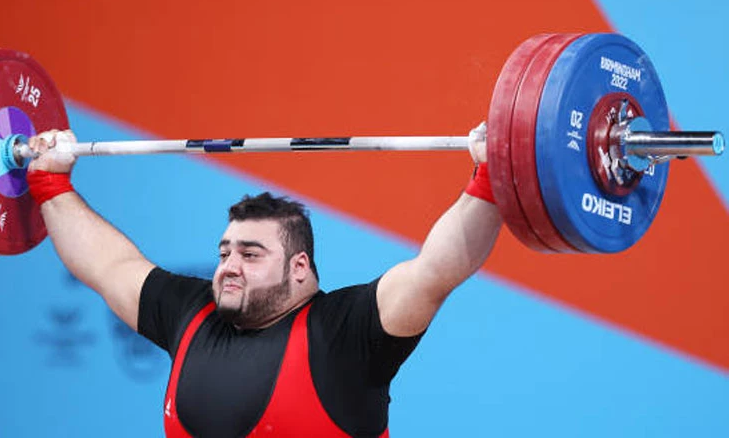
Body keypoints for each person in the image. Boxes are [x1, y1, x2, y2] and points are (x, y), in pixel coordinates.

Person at [25, 126, 502, 437]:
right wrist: (50, 185)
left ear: (299, 267)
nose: (229, 265)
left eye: (251, 255)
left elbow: (437, 269)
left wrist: (490, 179)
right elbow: (107, 266)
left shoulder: (345, 333)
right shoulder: (193, 313)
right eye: (225, 252)